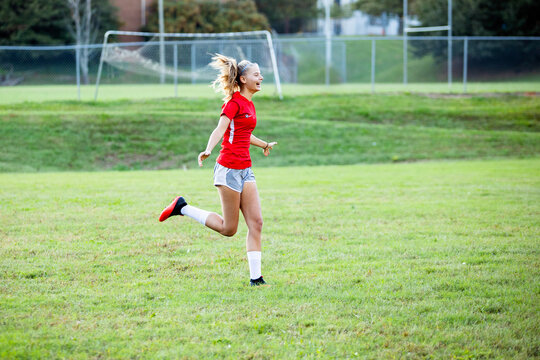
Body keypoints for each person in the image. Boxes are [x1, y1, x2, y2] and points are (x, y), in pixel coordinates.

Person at [159, 53, 277, 287]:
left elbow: (243, 133)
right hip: (228, 169)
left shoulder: (250, 104)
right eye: (256, 74)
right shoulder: (233, 103)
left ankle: (256, 278)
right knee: (229, 229)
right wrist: (208, 149)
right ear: (243, 79)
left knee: (257, 223)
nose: (261, 77)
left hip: (246, 169)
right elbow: (221, 127)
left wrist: (264, 144)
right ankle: (182, 208)